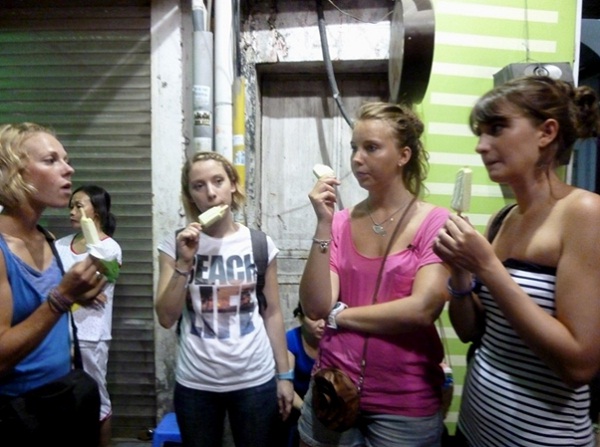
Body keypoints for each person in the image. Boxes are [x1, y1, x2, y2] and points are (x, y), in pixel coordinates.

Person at [433, 75, 600, 446]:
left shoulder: (585, 214)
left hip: (541, 437)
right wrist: (461, 273)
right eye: (480, 132)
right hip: (476, 428)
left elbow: (579, 365)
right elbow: (471, 332)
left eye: (497, 128)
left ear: (547, 132)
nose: (481, 146)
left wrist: (488, 268)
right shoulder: (503, 219)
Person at [298, 102, 451, 447]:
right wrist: (323, 223)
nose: (356, 158)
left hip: (405, 398)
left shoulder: (435, 223)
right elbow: (318, 306)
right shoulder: (339, 222)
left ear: (403, 155)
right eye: (354, 147)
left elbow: (422, 309)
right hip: (333, 387)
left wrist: (343, 316)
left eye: (371, 147)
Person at [154, 151, 293, 447]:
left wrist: (284, 376)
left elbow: (273, 313)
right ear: (191, 195)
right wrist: (184, 263)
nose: (211, 193)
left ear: (233, 185)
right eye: (199, 186)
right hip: (196, 382)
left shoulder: (259, 244)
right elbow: (166, 318)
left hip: (255, 378)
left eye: (218, 181)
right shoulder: (174, 245)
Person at [0, 122, 108, 444]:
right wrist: (61, 298)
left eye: (66, 159)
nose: (68, 169)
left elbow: (37, 313)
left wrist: (78, 296)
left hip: (59, 403)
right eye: (51, 161)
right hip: (17, 415)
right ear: (14, 174)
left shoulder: (46, 238)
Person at [55, 184, 122, 447]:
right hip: (59, 334)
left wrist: (66, 292)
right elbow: (59, 288)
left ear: (97, 211)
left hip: (91, 337)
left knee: (97, 401)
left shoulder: (109, 249)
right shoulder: (59, 246)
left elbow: (96, 288)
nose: (72, 211)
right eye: (71, 206)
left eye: (79, 205)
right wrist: (73, 293)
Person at [282, 302, 325, 447]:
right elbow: (286, 386)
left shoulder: (334, 341)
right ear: (300, 317)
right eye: (314, 318)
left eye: (326, 318)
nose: (322, 324)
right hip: (296, 406)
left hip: (327, 409)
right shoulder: (291, 339)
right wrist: (307, 413)